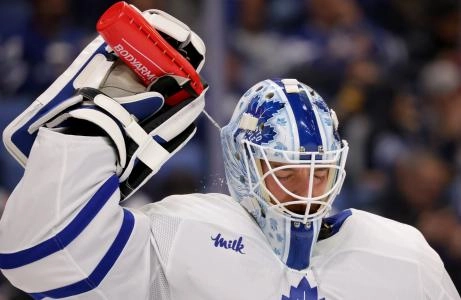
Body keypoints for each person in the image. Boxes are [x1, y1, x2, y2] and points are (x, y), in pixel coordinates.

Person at [0, 4, 459, 300]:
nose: (306, 192)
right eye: (285, 171)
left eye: (319, 172)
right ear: (243, 162)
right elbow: (40, 252)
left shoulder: (404, 255)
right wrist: (98, 124)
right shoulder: (186, 234)